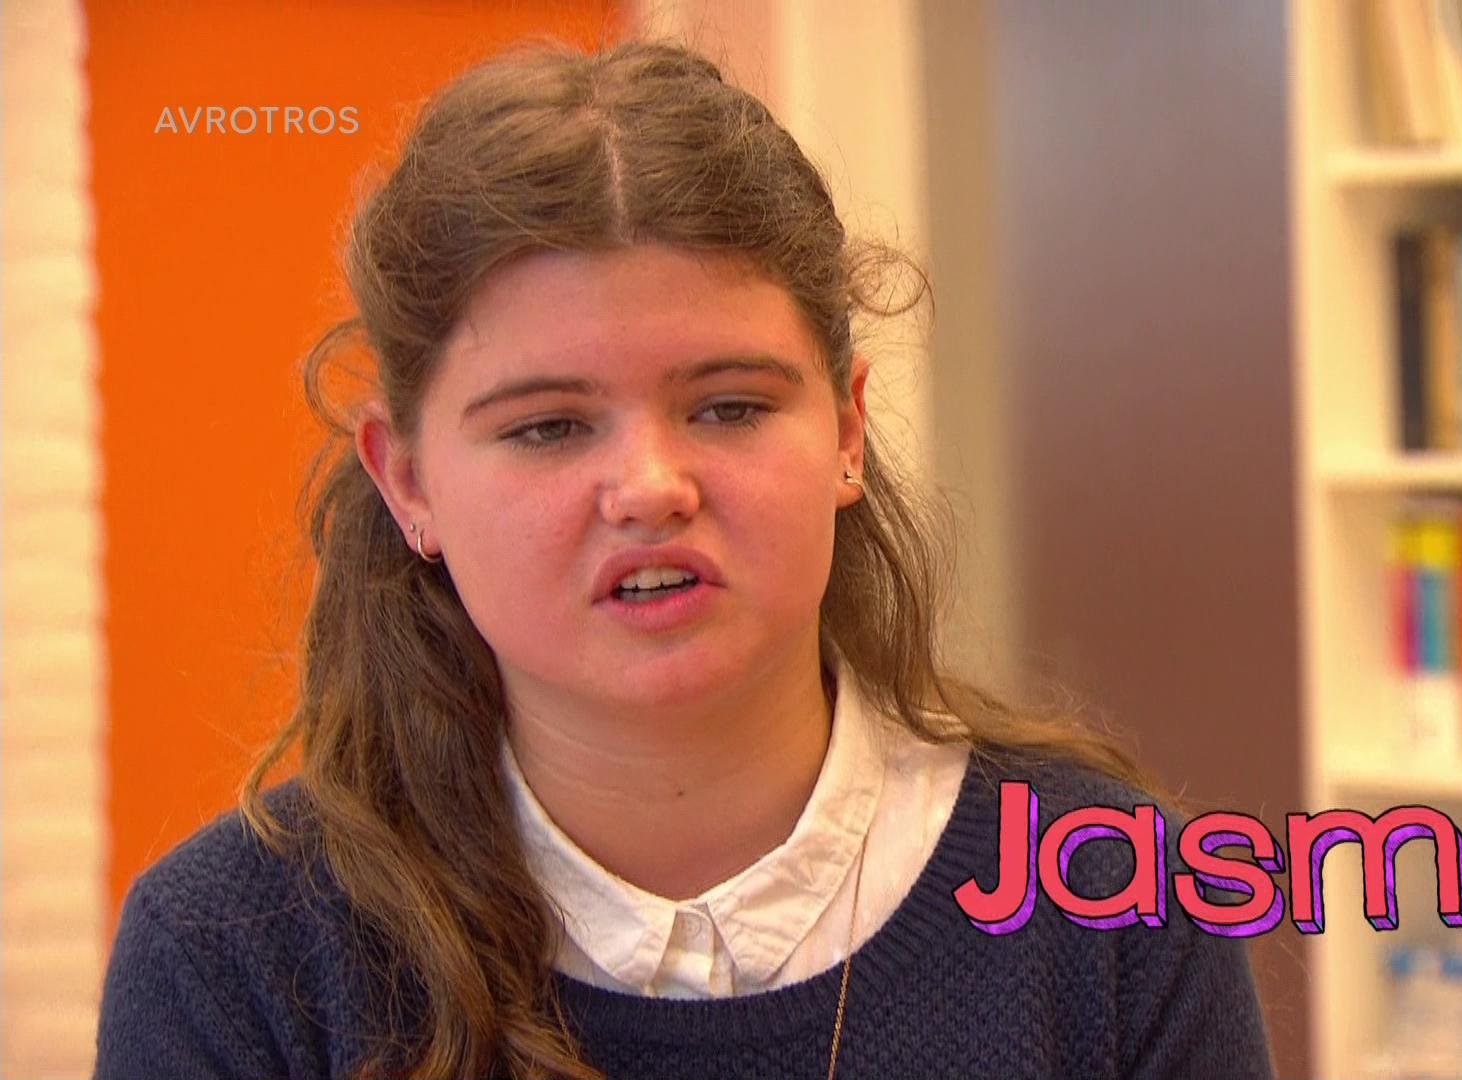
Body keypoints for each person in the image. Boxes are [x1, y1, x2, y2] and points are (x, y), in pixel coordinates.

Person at [93, 38, 1274, 1080]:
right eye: (548, 428)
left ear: (848, 432)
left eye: (730, 407)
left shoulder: (1115, 901)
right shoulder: (231, 955)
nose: (652, 487)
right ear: (407, 481)